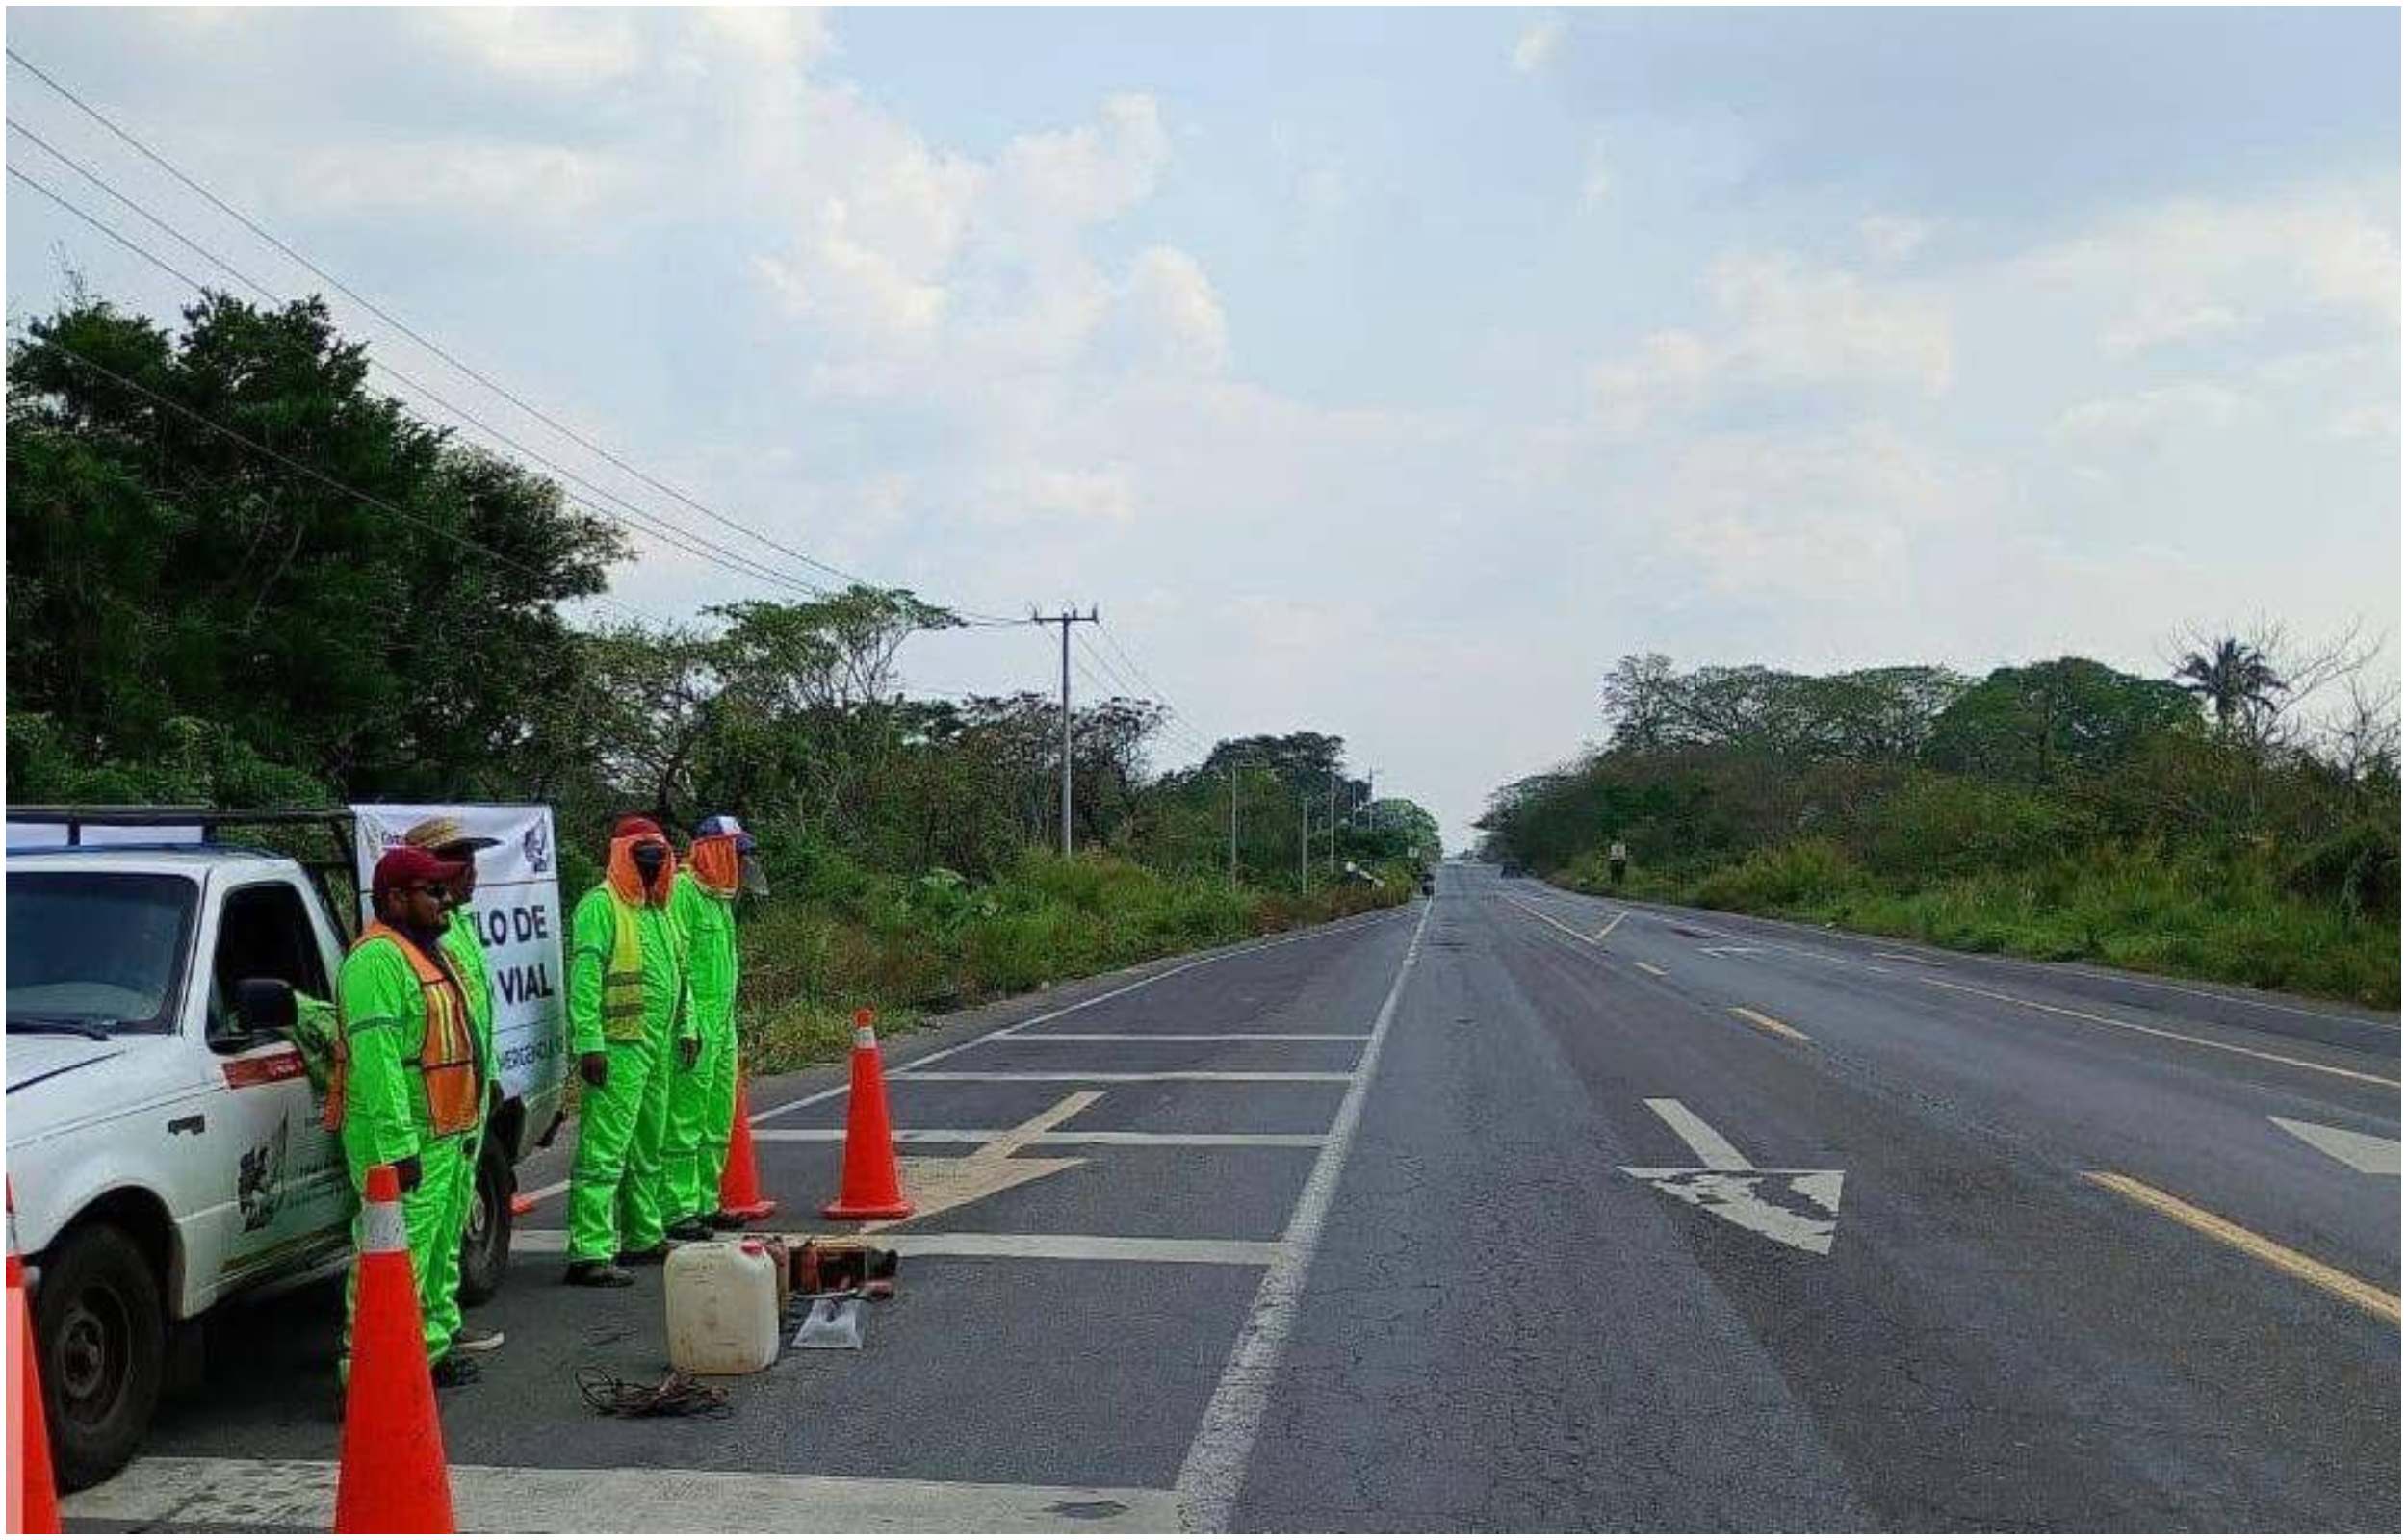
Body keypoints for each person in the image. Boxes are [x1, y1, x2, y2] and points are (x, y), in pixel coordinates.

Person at [326, 845, 483, 1388]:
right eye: (434, 892)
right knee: (395, 1256)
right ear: (395, 898)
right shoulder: (376, 961)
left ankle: (427, 1353)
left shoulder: (426, 950)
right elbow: (379, 1062)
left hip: (442, 1129)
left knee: (436, 1250)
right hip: (403, 1135)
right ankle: (368, 1371)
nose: (446, 902)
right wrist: (398, 1145)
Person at [561, 816, 691, 1287]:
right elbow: (586, 979)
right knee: (605, 1149)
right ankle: (590, 1249)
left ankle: (643, 1233)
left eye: (660, 855)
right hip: (618, 1045)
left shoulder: (661, 911)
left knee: (648, 1144)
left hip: (655, 1045)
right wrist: (590, 1042)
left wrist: (688, 1025)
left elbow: (680, 975)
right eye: (644, 855)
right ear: (623, 855)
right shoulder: (601, 906)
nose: (654, 864)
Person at [401, 816, 505, 1355]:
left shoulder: (455, 926)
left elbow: (469, 1015)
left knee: (447, 1230)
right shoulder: (404, 946)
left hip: (460, 1103)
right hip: (425, 1115)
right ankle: (397, 1351)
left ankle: (438, 1334)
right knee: (416, 1238)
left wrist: (484, 1078)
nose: (471, 871)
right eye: (459, 859)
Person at [662, 815, 762, 1241]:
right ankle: (678, 1207)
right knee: (686, 1117)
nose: (742, 863)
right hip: (695, 1025)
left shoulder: (719, 898)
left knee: (717, 1115)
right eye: (736, 853)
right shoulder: (684, 891)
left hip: (721, 1023)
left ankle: (706, 1201)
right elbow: (677, 962)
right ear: (717, 851)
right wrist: (687, 1021)